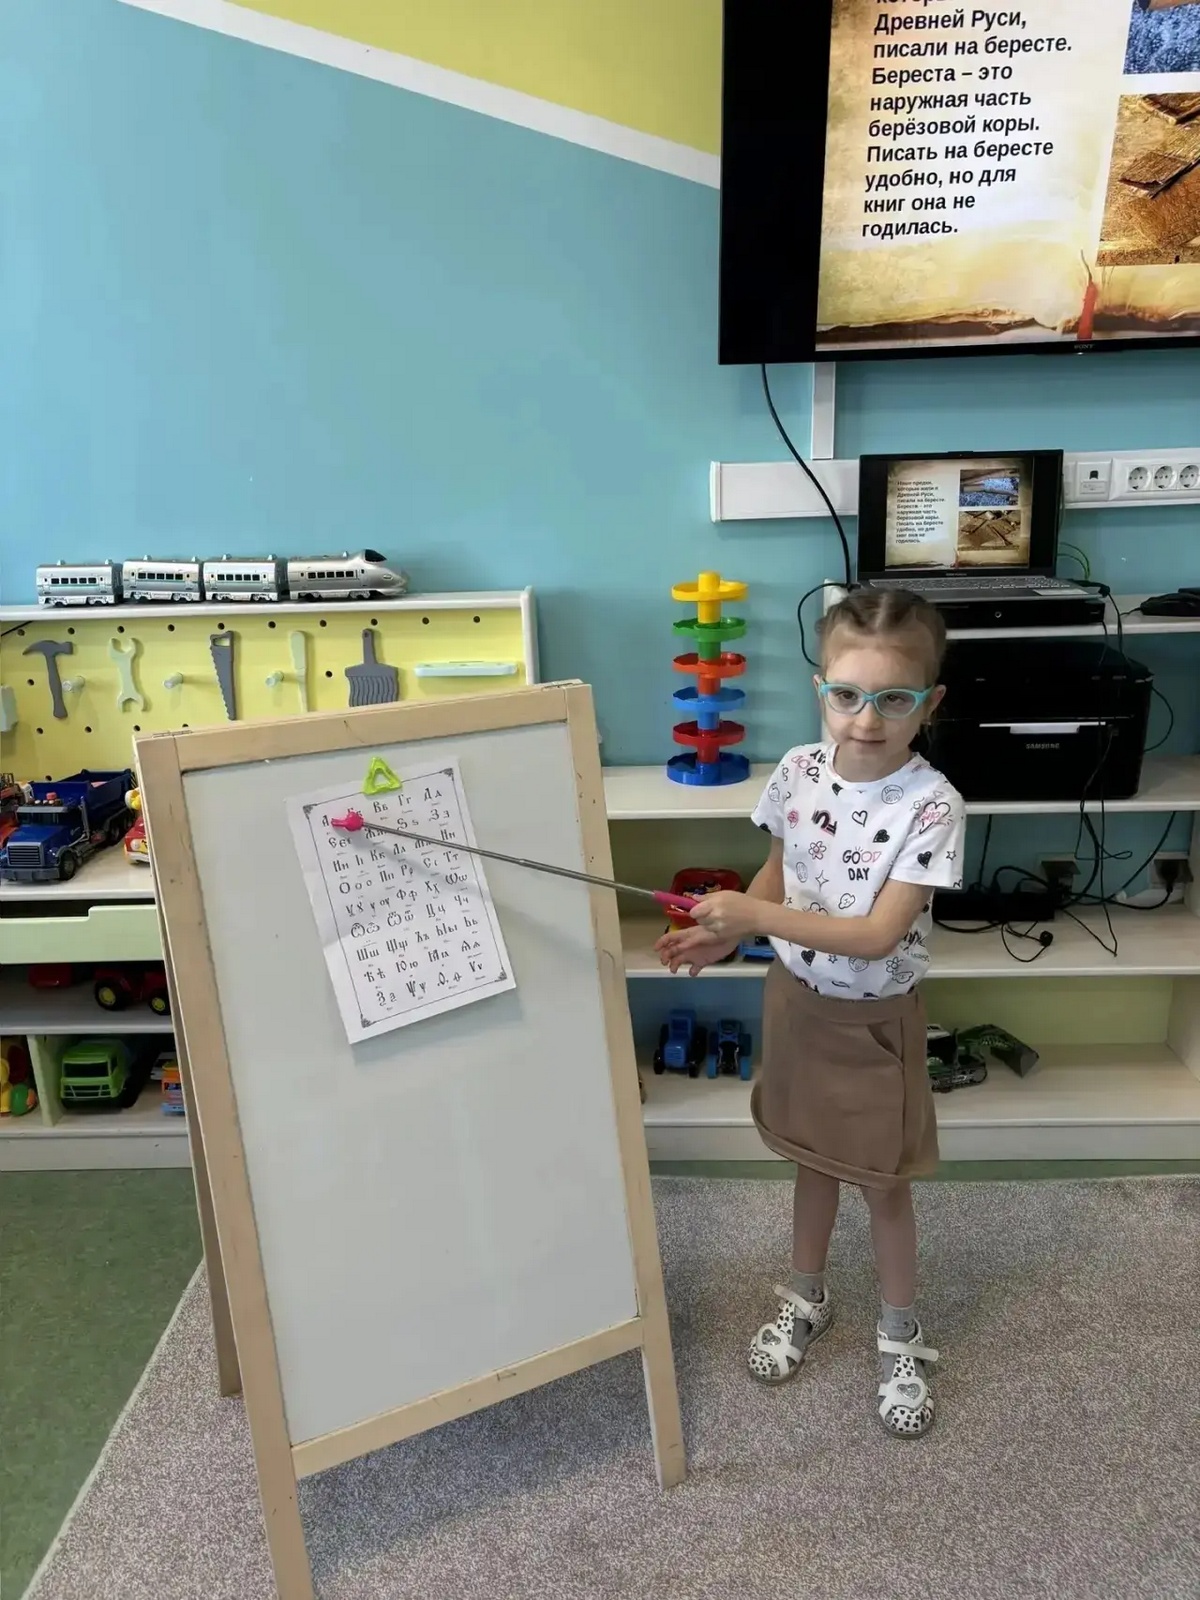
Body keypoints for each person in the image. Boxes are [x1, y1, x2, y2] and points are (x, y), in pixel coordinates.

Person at [655, 588, 965, 1437]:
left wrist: (754, 916)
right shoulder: (796, 770)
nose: (866, 720)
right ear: (820, 687)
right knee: (811, 1160)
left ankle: (900, 1332)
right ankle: (807, 1297)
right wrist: (726, 935)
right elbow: (778, 874)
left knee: (884, 1183)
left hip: (874, 1023)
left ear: (931, 703)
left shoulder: (932, 805)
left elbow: (875, 934)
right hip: (794, 1002)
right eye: (847, 694)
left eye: (894, 698)